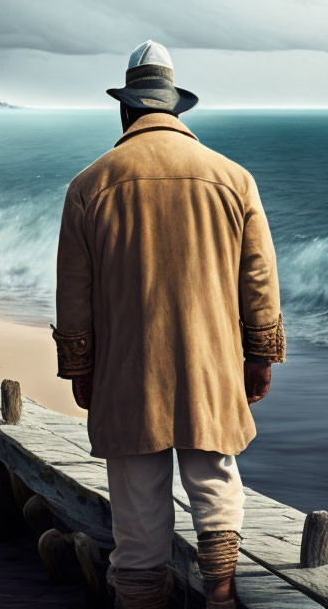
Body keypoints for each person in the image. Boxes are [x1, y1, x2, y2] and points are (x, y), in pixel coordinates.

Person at [51, 40, 285, 609]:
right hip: (211, 365)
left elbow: (73, 292)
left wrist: (81, 368)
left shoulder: (90, 185)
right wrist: (260, 355)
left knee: (136, 509)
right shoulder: (234, 179)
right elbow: (258, 280)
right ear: (175, 108)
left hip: (128, 371)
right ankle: (222, 594)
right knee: (214, 481)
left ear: (127, 109)